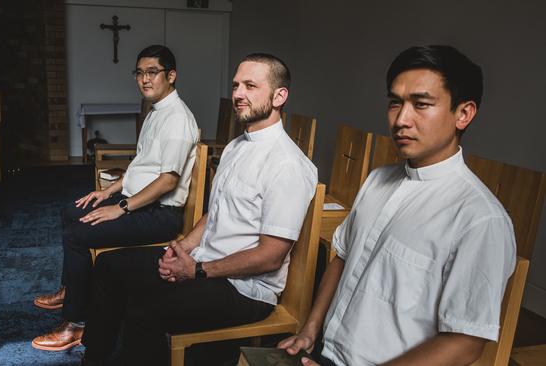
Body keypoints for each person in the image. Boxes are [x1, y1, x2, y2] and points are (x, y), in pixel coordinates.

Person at [279, 45, 517, 366]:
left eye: (421, 104)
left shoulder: (480, 218)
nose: (401, 120)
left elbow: (464, 342)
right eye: (395, 103)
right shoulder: (377, 180)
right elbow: (343, 258)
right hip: (325, 354)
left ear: (463, 113)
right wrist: (310, 329)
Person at [78, 53, 318, 365]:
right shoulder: (236, 146)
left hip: (244, 291)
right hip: (206, 264)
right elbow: (215, 213)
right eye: (235, 86)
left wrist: (197, 270)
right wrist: (180, 248)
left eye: (250, 86)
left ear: (279, 96)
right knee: (109, 267)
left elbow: (270, 256)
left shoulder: (288, 165)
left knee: (143, 307)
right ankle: (94, 359)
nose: (238, 94)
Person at [31, 45, 199, 351]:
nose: (144, 79)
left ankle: (77, 324)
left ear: (171, 75)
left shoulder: (177, 118)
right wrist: (108, 192)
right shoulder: (156, 111)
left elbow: (167, 181)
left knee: (77, 234)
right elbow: (143, 168)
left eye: (152, 72)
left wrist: (120, 208)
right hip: (140, 202)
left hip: (160, 215)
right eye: (139, 72)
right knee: (72, 211)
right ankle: (73, 290)